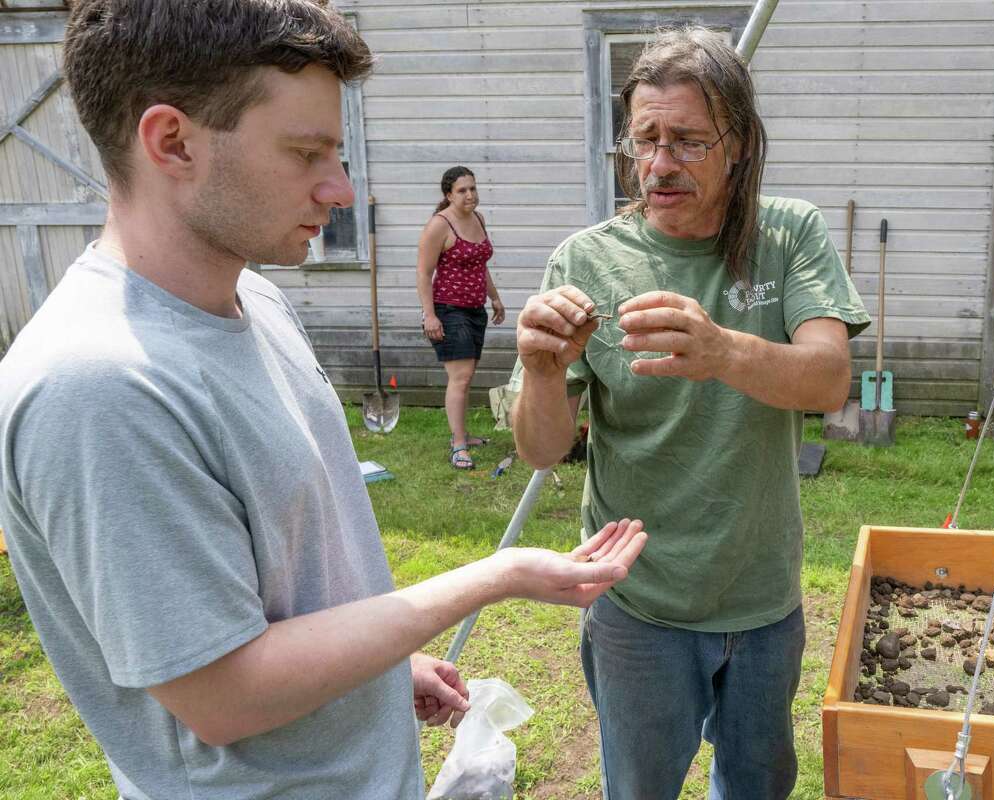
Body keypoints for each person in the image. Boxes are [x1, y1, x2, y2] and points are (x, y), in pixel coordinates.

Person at [0, 3, 646, 798]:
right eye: (306, 153)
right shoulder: (98, 386)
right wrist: (496, 573)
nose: (339, 188)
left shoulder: (258, 302)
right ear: (172, 141)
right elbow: (221, 694)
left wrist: (379, 664)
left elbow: (289, 576)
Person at [511, 26, 871, 800]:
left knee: (756, 787)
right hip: (637, 601)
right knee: (639, 789)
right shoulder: (587, 261)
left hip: (761, 595)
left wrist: (723, 352)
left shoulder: (788, 235)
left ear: (736, 144)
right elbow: (542, 450)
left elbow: (830, 381)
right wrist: (541, 370)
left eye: (687, 141)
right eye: (645, 140)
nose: (660, 164)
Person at [416, 166, 504, 470]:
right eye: (462, 190)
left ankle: (463, 433)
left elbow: (480, 264)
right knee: (460, 378)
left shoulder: (478, 219)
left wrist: (494, 297)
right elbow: (424, 273)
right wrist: (430, 316)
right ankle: (458, 446)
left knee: (465, 378)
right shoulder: (439, 225)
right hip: (448, 310)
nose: (470, 195)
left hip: (475, 310)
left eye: (473, 188)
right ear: (448, 195)